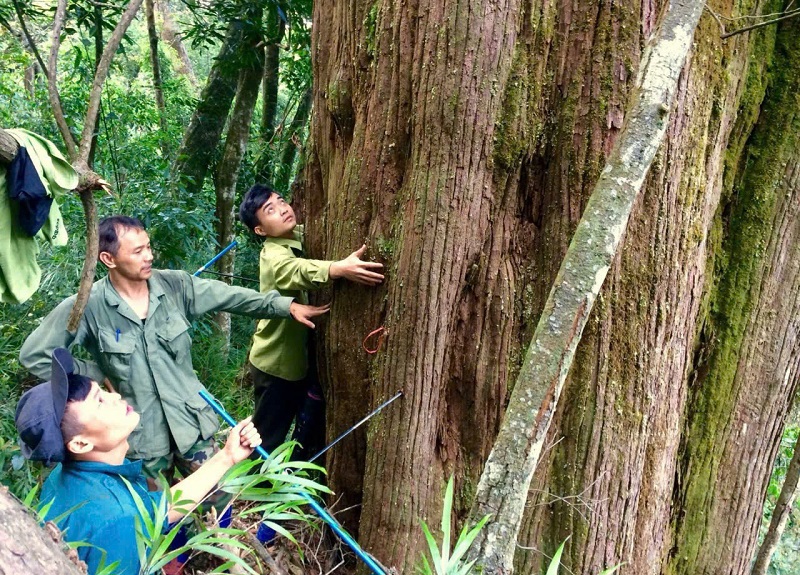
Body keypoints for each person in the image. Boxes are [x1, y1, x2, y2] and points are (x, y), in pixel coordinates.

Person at [19, 215, 327, 481]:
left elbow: (229, 296)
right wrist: (94, 374)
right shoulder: (89, 304)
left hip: (192, 424)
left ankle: (217, 548)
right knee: (161, 513)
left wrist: (284, 306)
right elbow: (35, 354)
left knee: (220, 496)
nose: (149, 256)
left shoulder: (175, 286)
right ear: (108, 259)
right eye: (138, 251)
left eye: (148, 247)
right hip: (142, 437)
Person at [15, 347, 262, 575]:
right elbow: (126, 520)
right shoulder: (116, 521)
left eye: (102, 392)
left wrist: (227, 456)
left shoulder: (64, 477)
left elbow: (155, 511)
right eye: (99, 402)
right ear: (80, 444)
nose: (116, 396)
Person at [238, 184, 384, 459]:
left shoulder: (300, 235)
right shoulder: (272, 254)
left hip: (298, 361)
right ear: (260, 230)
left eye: (281, 201)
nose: (282, 209)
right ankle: (251, 491)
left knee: (307, 423)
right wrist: (337, 268)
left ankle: (290, 477)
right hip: (275, 366)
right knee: (267, 436)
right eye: (270, 210)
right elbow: (294, 269)